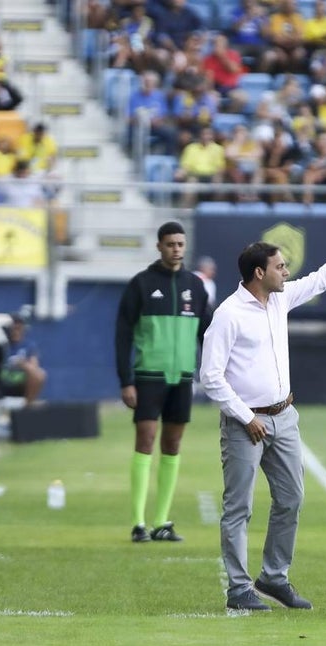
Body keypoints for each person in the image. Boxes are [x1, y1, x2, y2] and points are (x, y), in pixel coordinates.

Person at [200, 235, 326, 612]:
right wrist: (246, 417)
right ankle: (237, 587)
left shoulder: (280, 298)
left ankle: (273, 577)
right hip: (245, 423)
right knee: (238, 507)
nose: (286, 272)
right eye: (280, 266)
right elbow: (211, 376)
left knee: (292, 498)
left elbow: (325, 276)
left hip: (283, 417)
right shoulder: (228, 314)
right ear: (259, 272)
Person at [115, 222, 213, 544]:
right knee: (146, 437)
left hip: (182, 377)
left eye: (180, 244)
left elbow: (208, 334)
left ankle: (162, 522)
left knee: (172, 445)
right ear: (159, 246)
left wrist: (217, 370)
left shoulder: (195, 286)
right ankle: (137, 523)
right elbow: (123, 334)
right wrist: (126, 380)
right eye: (170, 244)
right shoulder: (141, 285)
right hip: (148, 376)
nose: (176, 249)